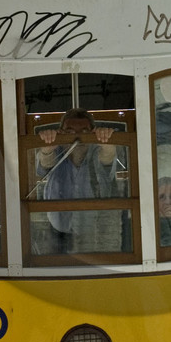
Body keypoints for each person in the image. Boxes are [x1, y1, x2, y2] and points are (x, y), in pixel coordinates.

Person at [34, 107, 124, 252]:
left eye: (84, 132)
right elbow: (45, 164)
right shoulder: (56, 151)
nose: (77, 137)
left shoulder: (97, 151)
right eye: (69, 132)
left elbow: (107, 157)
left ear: (93, 132)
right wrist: (47, 146)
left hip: (94, 235)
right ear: (61, 132)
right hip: (56, 235)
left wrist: (106, 140)